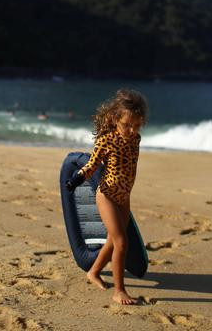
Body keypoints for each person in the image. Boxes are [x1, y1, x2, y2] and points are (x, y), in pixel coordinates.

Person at [65, 88, 148, 305]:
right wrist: (76, 179)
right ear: (114, 118)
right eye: (126, 125)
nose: (131, 130)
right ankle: (119, 290)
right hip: (107, 196)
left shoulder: (136, 139)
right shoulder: (106, 141)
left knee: (113, 241)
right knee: (121, 242)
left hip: (124, 197)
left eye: (136, 125)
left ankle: (93, 272)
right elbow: (92, 165)